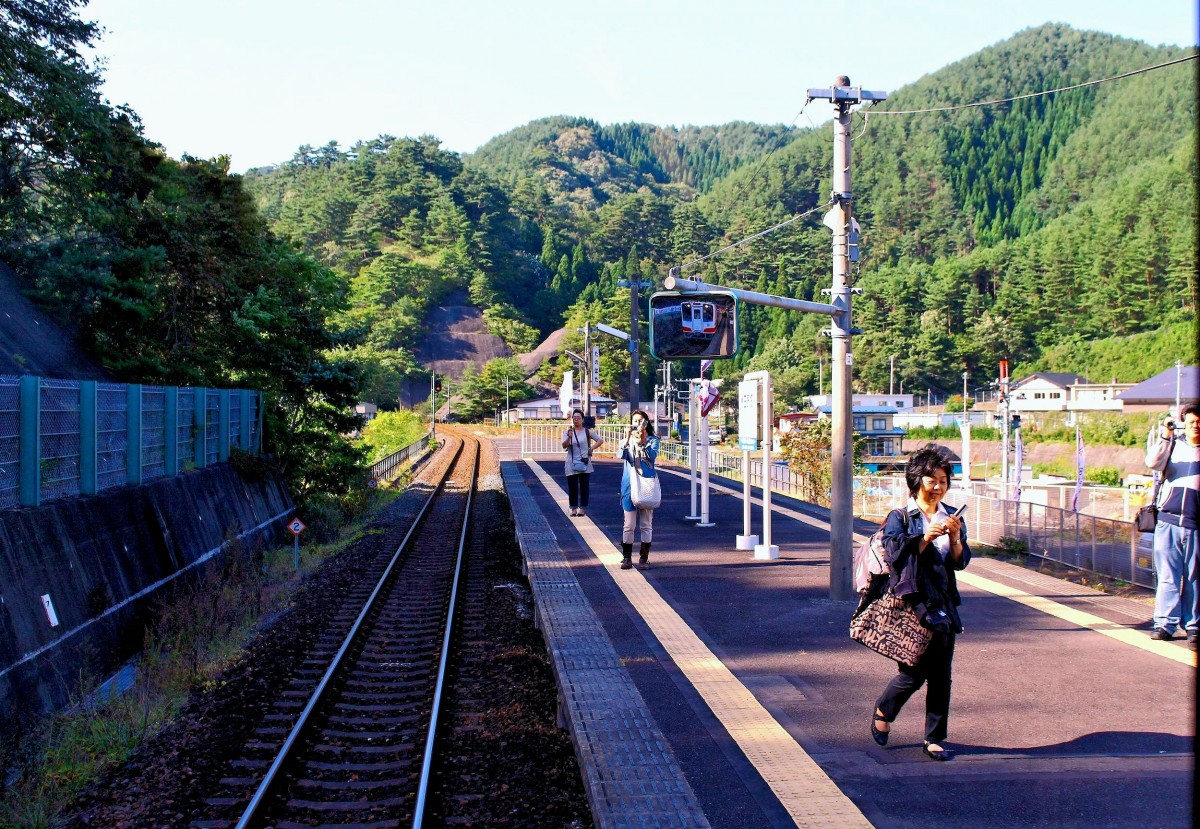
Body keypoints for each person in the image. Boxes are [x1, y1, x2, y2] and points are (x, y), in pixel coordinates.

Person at [870, 444, 970, 761]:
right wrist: (926, 536)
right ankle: (885, 708)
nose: (938, 487)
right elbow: (896, 554)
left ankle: (935, 738)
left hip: (942, 603)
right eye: (932, 480)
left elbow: (960, 562)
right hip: (912, 603)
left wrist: (954, 538)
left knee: (942, 674)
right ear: (916, 482)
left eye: (943, 480)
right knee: (912, 673)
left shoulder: (950, 515)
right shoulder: (900, 517)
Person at [1146, 402, 1199, 643]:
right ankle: (1164, 624)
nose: (1195, 427)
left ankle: (1193, 625)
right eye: (1190, 423)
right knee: (1167, 576)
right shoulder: (1173, 446)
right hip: (1168, 521)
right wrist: (1165, 435)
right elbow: (1153, 463)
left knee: (1194, 578)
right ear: (1183, 425)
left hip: (1196, 524)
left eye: (1199, 422)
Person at [619, 409, 660, 570]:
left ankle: (643, 558)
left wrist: (643, 441)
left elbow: (652, 456)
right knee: (628, 525)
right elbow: (621, 455)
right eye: (635, 421)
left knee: (646, 524)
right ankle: (626, 558)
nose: (638, 424)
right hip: (629, 486)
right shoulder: (625, 441)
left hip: (646, 486)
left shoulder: (653, 440)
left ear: (646, 423)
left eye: (641, 421)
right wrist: (629, 437)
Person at [561, 408, 602, 517]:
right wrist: (569, 437)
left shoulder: (587, 431)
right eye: (574, 418)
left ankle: (583, 508)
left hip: (585, 462)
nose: (576, 420)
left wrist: (591, 448)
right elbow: (564, 446)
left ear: (582, 419)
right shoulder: (568, 432)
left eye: (578, 418)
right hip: (571, 463)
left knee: (584, 487)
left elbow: (600, 440)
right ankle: (573, 508)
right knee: (572, 486)